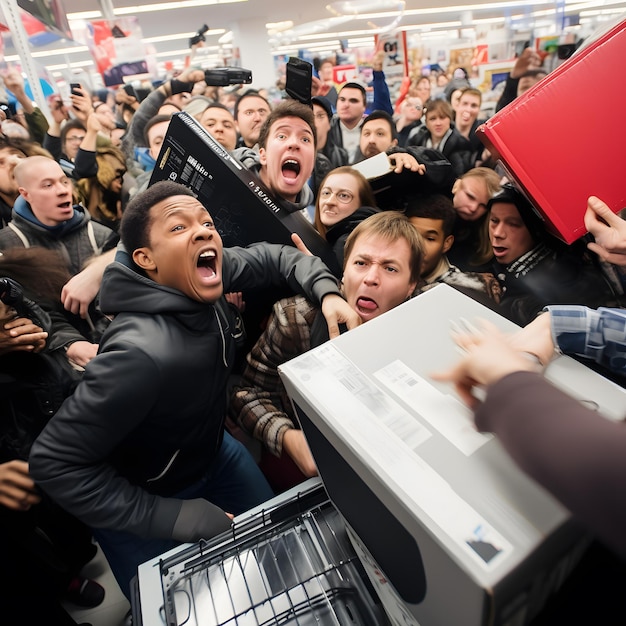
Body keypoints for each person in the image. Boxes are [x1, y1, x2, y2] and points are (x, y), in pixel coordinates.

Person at [29, 180, 361, 598]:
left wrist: (328, 293)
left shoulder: (203, 279)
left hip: (213, 454)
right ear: (145, 258)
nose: (204, 231)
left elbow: (279, 257)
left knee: (283, 554)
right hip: (145, 497)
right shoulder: (138, 355)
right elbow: (54, 464)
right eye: (179, 227)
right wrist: (172, 517)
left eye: (206, 222)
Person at [231, 211, 422, 492]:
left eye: (390, 268)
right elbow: (248, 394)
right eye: (361, 263)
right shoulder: (298, 318)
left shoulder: (418, 335)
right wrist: (287, 437)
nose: (371, 278)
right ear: (344, 270)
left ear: (411, 287)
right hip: (300, 474)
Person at [487, 184, 616, 325]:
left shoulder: (563, 281)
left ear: (535, 230)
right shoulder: (506, 267)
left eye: (513, 224)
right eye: (494, 221)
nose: (498, 233)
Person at [405, 194, 501, 304]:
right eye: (412, 235)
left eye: (430, 239)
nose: (418, 247)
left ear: (446, 243)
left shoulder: (467, 290)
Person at [313, 166, 378, 270]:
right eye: (326, 193)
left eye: (343, 195)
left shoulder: (348, 244)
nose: (330, 201)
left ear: (362, 205)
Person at [447, 167, 501, 272]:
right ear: (456, 185)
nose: (474, 208)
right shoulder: (431, 199)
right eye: (470, 197)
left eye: (483, 206)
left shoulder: (483, 239)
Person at [408, 98, 472, 177]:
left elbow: (460, 175)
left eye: (442, 118)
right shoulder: (416, 140)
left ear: (450, 120)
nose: (438, 123)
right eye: (432, 119)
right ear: (426, 123)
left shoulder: (461, 144)